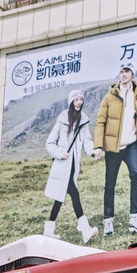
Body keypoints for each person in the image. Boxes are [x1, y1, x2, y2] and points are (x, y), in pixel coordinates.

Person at [93, 62, 137, 236]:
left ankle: (134, 219)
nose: (123, 74)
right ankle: (108, 222)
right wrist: (98, 146)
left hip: (131, 145)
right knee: (110, 183)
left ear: (132, 75)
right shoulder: (109, 97)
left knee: (136, 175)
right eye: (121, 72)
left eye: (127, 72)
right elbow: (100, 121)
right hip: (113, 148)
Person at [43, 89, 100, 243]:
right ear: (71, 102)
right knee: (73, 194)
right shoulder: (62, 121)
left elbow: (87, 141)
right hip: (62, 166)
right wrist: (60, 153)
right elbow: (49, 143)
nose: (79, 102)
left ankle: (49, 230)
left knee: (59, 198)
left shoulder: (83, 121)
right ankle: (84, 228)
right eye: (76, 100)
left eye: (81, 100)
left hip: (73, 166)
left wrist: (93, 152)